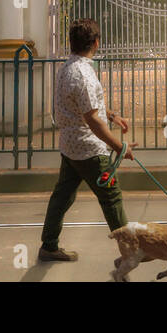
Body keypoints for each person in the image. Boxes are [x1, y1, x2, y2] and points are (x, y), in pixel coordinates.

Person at [38, 17, 135, 262]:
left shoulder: (67, 68)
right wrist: (120, 146)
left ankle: (49, 246)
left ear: (72, 43)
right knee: (111, 197)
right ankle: (129, 253)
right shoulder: (84, 74)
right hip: (89, 149)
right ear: (96, 42)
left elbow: (85, 108)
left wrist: (112, 115)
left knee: (62, 196)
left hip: (70, 147)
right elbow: (92, 121)